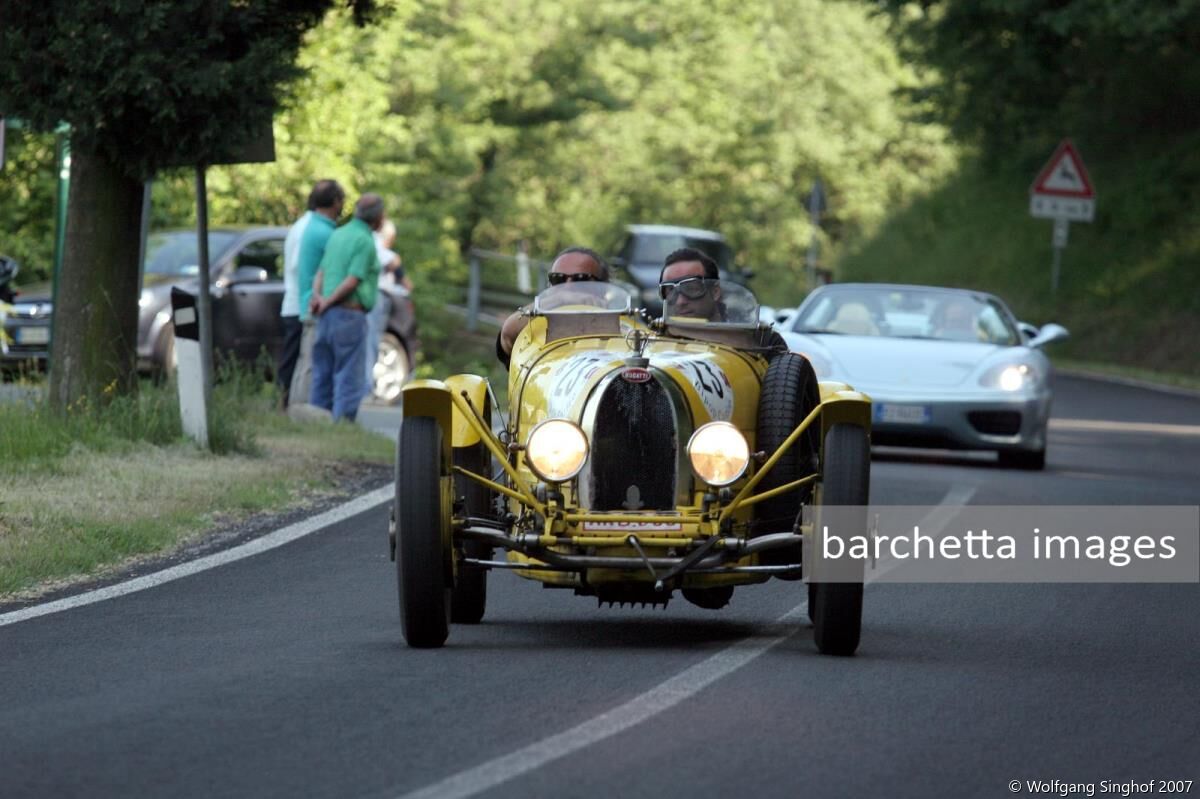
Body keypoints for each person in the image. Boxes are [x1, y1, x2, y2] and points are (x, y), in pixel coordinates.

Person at [308, 193, 385, 421]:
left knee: (322, 372)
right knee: (349, 374)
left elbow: (320, 272)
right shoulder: (365, 241)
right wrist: (328, 301)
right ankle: (342, 424)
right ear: (378, 217)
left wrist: (318, 299)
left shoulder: (338, 234)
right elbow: (353, 279)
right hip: (349, 314)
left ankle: (318, 421)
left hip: (326, 315)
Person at [496, 246, 608, 369]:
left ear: (602, 287)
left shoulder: (619, 328)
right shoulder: (535, 326)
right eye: (558, 279)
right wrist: (560, 299)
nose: (568, 287)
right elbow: (508, 334)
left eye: (580, 279)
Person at [288, 180, 345, 414]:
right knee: (312, 364)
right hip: (317, 305)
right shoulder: (327, 233)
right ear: (335, 202)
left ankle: (296, 407)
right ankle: (305, 411)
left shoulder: (311, 225)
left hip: (307, 302)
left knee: (305, 363)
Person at [276, 184, 320, 407]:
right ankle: (284, 403)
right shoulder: (308, 228)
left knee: (292, 359)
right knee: (295, 360)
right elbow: (297, 266)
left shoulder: (301, 225)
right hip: (298, 303)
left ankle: (283, 402)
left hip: (294, 301)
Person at [363, 217, 413, 388]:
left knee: (373, 340)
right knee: (372, 340)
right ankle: (368, 386)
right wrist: (403, 278)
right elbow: (393, 261)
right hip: (377, 296)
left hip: (374, 296)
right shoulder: (375, 242)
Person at [657, 247, 723, 321]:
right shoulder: (659, 331)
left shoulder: (735, 331)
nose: (680, 302)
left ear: (715, 292)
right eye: (670, 291)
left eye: (691, 288)